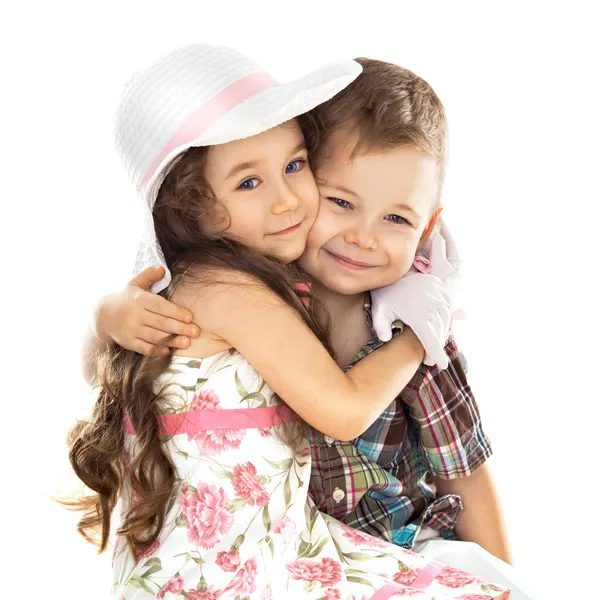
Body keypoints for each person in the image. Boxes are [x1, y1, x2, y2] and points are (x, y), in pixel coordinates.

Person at [70, 44, 509, 599]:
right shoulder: (237, 288)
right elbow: (344, 410)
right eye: (341, 202)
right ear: (188, 205)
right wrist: (105, 314)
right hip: (242, 569)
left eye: (294, 166)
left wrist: (106, 316)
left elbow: (465, 471)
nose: (287, 203)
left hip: (322, 545)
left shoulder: (273, 282)